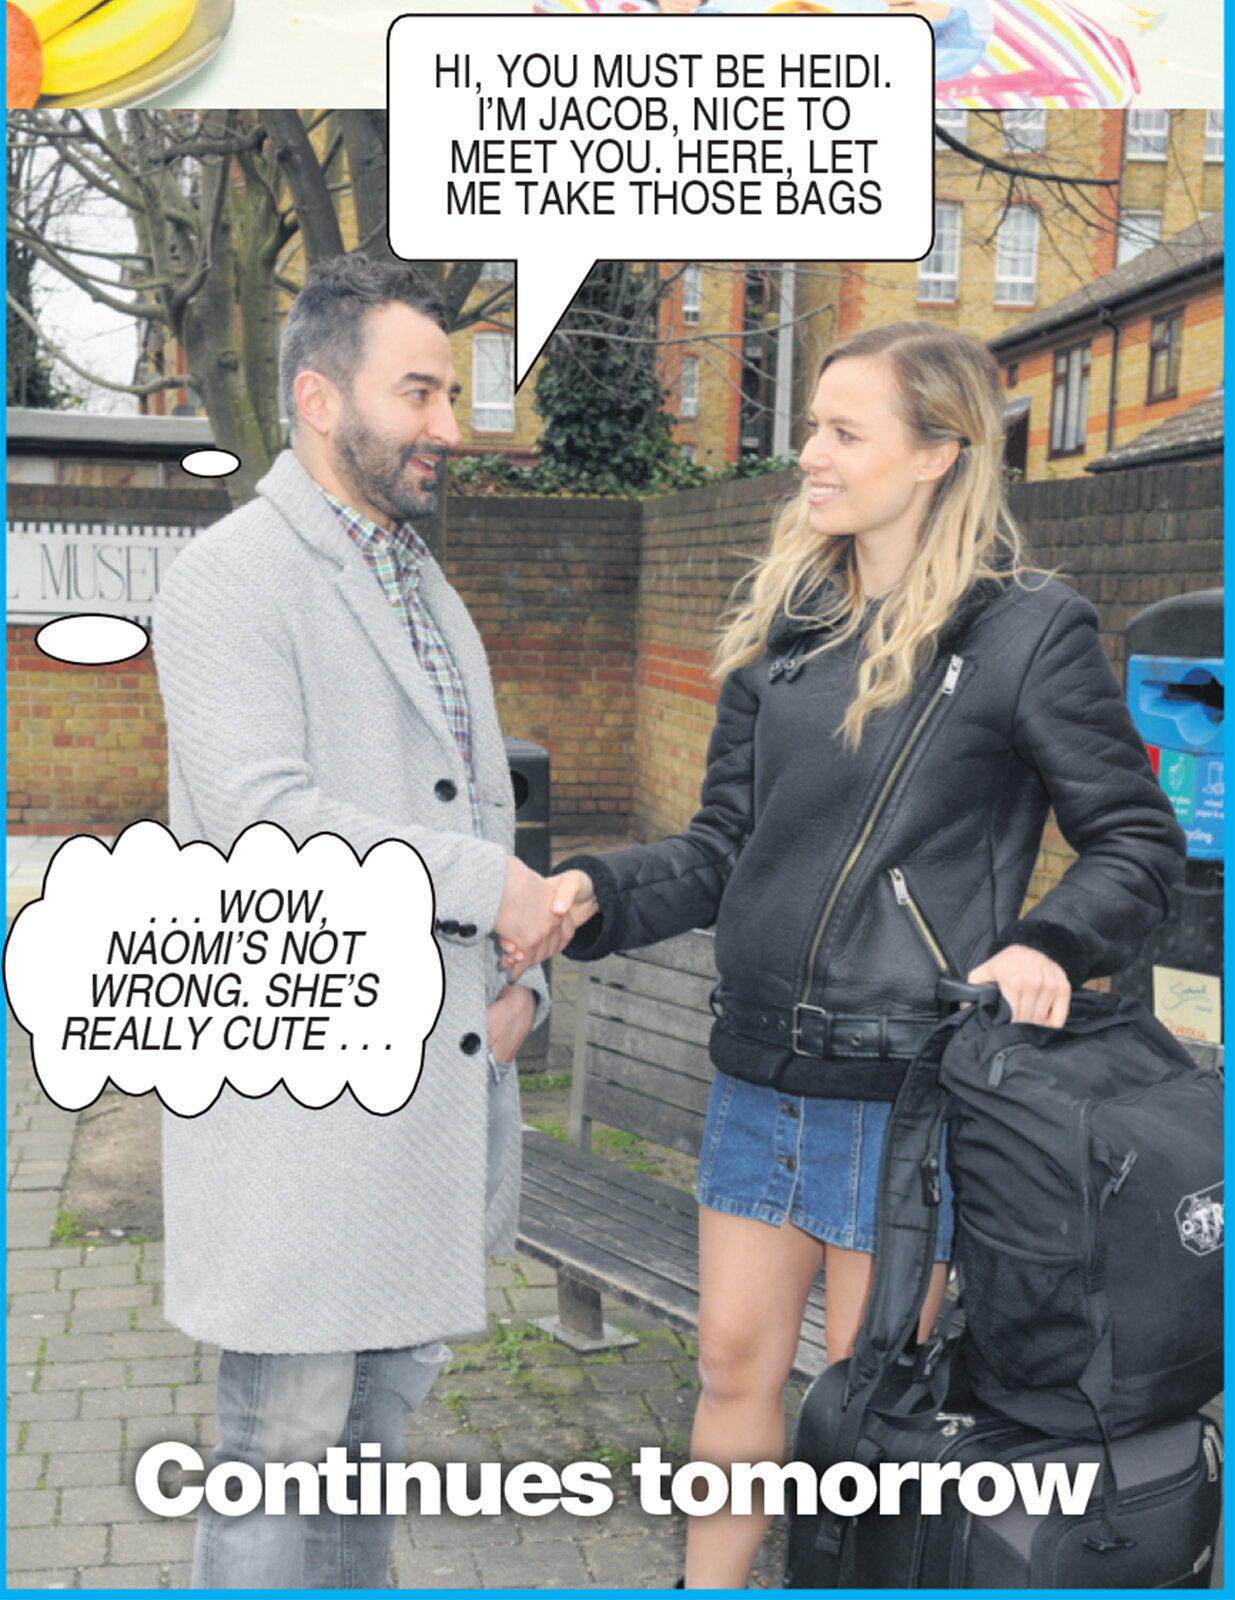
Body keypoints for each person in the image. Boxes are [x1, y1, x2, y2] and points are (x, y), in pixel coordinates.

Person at [522, 322, 1186, 1588]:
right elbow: (721, 846)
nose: (810, 456)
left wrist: (1047, 941)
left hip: (907, 1096)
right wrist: (594, 890)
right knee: (730, 1364)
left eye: (842, 431)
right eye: (810, 429)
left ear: (935, 452)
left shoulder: (1026, 631)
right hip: (757, 1073)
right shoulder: (787, 626)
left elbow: (1136, 843)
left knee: (864, 1408)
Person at [154, 255, 589, 1589]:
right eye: (418, 392)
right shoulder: (231, 576)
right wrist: (483, 889)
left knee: (370, 1445)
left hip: (425, 1109)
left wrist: (521, 984)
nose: (449, 423)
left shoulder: (417, 579)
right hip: (307, 1117)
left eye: (450, 392)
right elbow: (262, 818)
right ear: (316, 397)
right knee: (282, 1445)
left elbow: (475, 802)